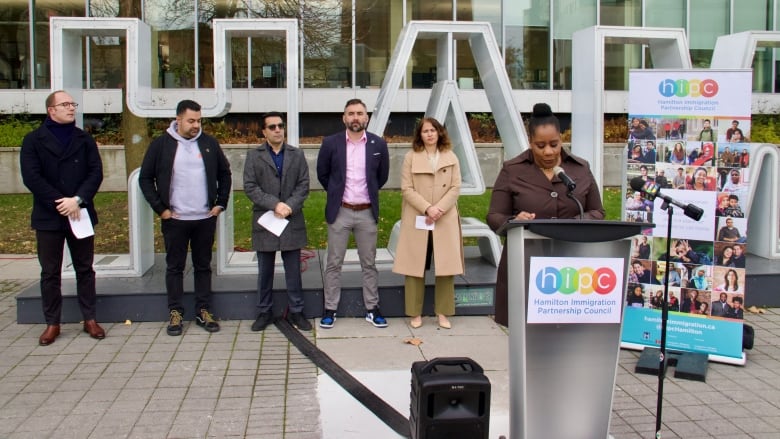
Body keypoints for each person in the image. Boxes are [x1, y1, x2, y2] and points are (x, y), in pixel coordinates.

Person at [487, 103, 605, 326]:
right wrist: (514, 221)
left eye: (554, 144)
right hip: (526, 265)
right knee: (527, 332)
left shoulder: (580, 168)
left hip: (572, 266)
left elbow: (597, 211)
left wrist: (577, 223)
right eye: (540, 146)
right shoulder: (513, 169)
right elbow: (494, 215)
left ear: (561, 139)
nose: (548, 152)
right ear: (530, 142)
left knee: (567, 331)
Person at [139, 99, 232, 336]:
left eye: (199, 120)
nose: (196, 125)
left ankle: (203, 310)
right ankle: (175, 313)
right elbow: (146, 178)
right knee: (175, 267)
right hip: (175, 219)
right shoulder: (161, 145)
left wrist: (220, 203)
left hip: (204, 218)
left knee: (203, 266)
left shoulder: (209, 143)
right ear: (178, 119)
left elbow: (224, 172)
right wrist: (161, 209)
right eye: (191, 121)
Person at [20, 90, 105, 346]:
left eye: (72, 104)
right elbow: (31, 177)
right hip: (50, 216)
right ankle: (52, 323)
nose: (71, 108)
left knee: (85, 268)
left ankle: (89, 318)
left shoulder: (84, 139)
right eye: (65, 104)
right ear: (51, 110)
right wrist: (61, 202)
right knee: (50, 272)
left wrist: (77, 200)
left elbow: (95, 172)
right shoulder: (33, 140)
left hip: (80, 212)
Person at [316, 98, 390, 329]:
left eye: (359, 113)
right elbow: (323, 174)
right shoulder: (330, 143)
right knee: (333, 262)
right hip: (341, 211)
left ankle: (372, 308)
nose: (355, 117)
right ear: (344, 118)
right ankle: (330, 309)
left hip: (367, 213)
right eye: (351, 113)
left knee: (369, 263)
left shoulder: (379, 144)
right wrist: (337, 193)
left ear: (366, 117)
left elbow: (382, 177)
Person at [243, 112, 312, 333]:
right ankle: (264, 312)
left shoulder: (297, 154)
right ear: (264, 131)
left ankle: (297, 311)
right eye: (271, 127)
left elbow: (303, 184)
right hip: (266, 220)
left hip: (291, 219)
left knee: (293, 270)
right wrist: (275, 205)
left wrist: (289, 206)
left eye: (280, 126)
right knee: (265, 271)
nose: (277, 130)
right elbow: (250, 186)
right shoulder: (254, 156)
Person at [392, 118, 463, 329]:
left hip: (445, 217)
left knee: (446, 265)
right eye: (425, 131)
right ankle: (415, 313)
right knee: (415, 265)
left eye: (433, 130)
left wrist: (439, 208)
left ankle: (443, 312)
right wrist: (427, 208)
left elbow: (455, 187)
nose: (430, 134)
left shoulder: (451, 157)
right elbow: (406, 188)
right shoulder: (411, 157)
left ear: (439, 133)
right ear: (419, 135)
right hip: (418, 216)